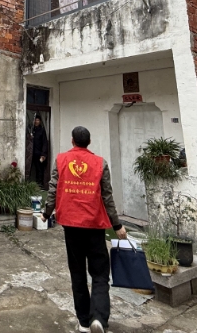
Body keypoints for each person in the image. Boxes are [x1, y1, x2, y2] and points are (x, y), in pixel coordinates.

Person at [43, 126, 126, 333]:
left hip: (71, 226)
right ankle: (98, 318)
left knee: (77, 272)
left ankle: (83, 322)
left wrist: (46, 213)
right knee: (100, 273)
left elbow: (53, 190)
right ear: (89, 142)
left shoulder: (61, 160)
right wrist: (117, 225)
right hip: (94, 225)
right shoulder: (100, 163)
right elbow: (107, 197)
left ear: (72, 141)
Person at [29, 114, 48, 186]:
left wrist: (43, 154)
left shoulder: (42, 130)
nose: (36, 121)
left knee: (39, 169)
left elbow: (44, 142)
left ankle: (40, 185)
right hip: (30, 153)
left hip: (38, 153)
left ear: (40, 121)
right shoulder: (31, 130)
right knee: (30, 169)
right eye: (35, 120)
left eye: (38, 120)